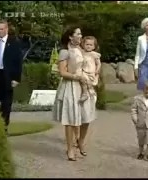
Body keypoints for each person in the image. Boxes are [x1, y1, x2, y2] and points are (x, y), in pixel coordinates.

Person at [53, 26, 97, 161]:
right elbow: (62, 72)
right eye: (77, 34)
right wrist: (77, 77)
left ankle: (81, 142)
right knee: (71, 119)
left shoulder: (81, 49)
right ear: (70, 37)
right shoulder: (65, 51)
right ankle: (70, 149)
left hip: (85, 86)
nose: (80, 36)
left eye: (80, 33)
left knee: (86, 117)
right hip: (71, 86)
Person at [0, 20, 22, 133]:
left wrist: (16, 78)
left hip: (7, 77)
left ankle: (4, 129)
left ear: (6, 29)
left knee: (6, 105)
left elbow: (18, 61)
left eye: (1, 29)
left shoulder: (13, 43)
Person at [79, 36, 101, 103]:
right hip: (84, 71)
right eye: (87, 44)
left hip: (91, 71)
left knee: (90, 81)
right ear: (83, 45)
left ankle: (91, 89)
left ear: (94, 47)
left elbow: (98, 63)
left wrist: (97, 70)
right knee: (83, 79)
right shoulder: (82, 53)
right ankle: (85, 93)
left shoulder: (94, 54)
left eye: (91, 45)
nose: (88, 46)